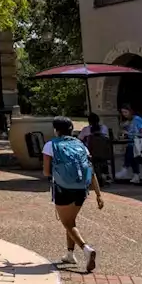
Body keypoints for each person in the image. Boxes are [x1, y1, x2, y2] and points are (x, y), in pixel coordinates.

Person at [42, 116, 104, 271]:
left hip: (63, 188)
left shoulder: (51, 145)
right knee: (71, 221)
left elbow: (46, 171)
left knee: (67, 223)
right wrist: (98, 194)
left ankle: (86, 249)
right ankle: (70, 254)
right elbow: (91, 170)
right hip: (82, 189)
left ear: (56, 130)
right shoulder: (81, 145)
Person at [119, 104, 142, 183]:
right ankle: (135, 175)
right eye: (122, 112)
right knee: (130, 149)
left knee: (131, 149)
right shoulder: (128, 122)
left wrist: (129, 134)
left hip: (140, 144)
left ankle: (125, 169)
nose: (124, 114)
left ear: (130, 111)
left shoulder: (137, 119)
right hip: (132, 143)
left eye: (126, 112)